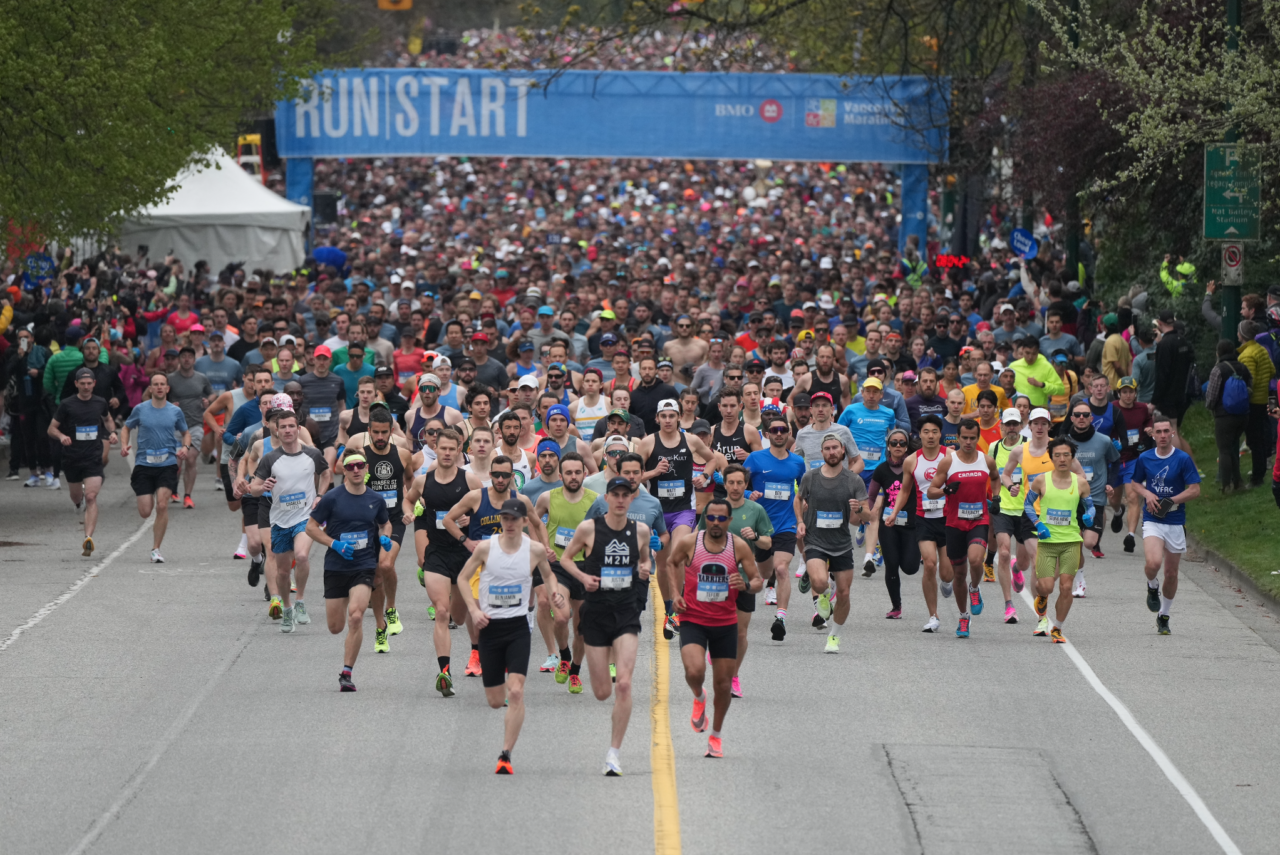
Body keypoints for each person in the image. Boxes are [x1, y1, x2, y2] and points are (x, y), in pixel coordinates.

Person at [457, 497, 565, 774]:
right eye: (505, 518)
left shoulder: (535, 550)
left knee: (516, 692)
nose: (510, 523)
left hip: (518, 628)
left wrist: (554, 591)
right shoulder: (485, 548)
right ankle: (498, 691)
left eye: (515, 519)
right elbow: (461, 578)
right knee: (495, 701)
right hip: (490, 629)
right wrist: (473, 609)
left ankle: (505, 754)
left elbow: (549, 575)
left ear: (524, 521)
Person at [670, 494, 762, 757]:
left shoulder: (739, 547)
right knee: (694, 671)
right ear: (705, 518)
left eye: (722, 518)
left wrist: (745, 585)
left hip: (725, 623)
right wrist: (675, 595)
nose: (716, 522)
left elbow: (757, 581)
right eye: (711, 517)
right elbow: (670, 563)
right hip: (693, 620)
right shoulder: (690, 542)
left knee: (723, 684)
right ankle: (699, 696)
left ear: (729, 520)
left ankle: (716, 737)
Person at [403, 427, 485, 694]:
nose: (447, 453)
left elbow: (487, 510)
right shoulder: (423, 481)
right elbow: (408, 501)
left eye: (453, 448)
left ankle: (476, 651)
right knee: (441, 611)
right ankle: (445, 672)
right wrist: (408, 514)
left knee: (460, 616)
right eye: (443, 448)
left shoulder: (470, 481)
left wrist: (471, 519)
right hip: (436, 552)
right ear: (435, 449)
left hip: (464, 555)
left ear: (459, 450)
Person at [304, 448, 392, 692]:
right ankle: (345, 659)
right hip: (336, 565)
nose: (355, 470)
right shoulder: (332, 498)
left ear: (366, 469)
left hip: (364, 564)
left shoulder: (375, 499)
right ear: (343, 470)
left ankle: (347, 673)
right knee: (336, 627)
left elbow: (386, 524)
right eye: (350, 466)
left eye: (360, 466)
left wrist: (385, 537)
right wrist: (334, 544)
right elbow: (311, 528)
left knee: (356, 616)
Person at [638, 398, 725, 638]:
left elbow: (712, 459)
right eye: (663, 416)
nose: (667, 420)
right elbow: (631, 474)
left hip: (684, 510)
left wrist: (705, 477)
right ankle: (670, 611)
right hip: (658, 512)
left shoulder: (691, 440)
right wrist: (654, 473)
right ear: (657, 418)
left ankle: (677, 606)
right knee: (664, 563)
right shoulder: (648, 443)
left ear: (679, 418)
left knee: (677, 553)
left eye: (671, 415)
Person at [696, 464, 771, 698]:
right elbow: (698, 538)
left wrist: (756, 537)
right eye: (731, 483)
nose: (736, 487)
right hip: (715, 575)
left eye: (740, 483)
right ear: (724, 484)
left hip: (744, 577)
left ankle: (734, 676)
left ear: (746, 484)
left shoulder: (756, 509)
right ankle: (715, 648)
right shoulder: (713, 508)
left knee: (740, 633)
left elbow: (768, 543)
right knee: (713, 625)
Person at [250, 409, 328, 631]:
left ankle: (300, 602)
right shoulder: (270, 458)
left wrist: (320, 495)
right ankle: (287, 608)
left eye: (291, 426)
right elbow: (254, 489)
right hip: (280, 521)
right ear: (276, 429)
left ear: (298, 429)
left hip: (305, 518)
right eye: (282, 427)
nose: (287, 430)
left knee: (302, 556)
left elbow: (326, 473)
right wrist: (261, 487)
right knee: (283, 572)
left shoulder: (312, 454)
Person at [924, 419, 1000, 638]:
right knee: (958, 574)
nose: (968, 442)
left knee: (976, 560)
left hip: (979, 519)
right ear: (958, 438)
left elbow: (995, 478)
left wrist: (996, 497)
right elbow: (931, 491)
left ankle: (975, 588)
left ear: (978, 438)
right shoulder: (949, 462)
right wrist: (946, 490)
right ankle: (963, 616)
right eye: (964, 438)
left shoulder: (986, 460)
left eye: (972, 438)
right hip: (954, 523)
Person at [797, 432, 871, 653]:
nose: (831, 452)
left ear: (843, 451)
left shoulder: (854, 480)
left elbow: (866, 517)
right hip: (815, 540)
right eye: (827, 448)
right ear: (822, 452)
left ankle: (834, 637)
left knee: (845, 593)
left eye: (835, 448)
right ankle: (824, 595)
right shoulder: (810, 477)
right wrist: (800, 520)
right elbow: (798, 499)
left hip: (841, 543)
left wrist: (859, 509)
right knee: (819, 582)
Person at [534, 451, 597, 695]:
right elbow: (532, 520)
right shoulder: (547, 497)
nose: (573, 477)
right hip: (558, 565)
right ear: (560, 475)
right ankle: (563, 655)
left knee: (582, 628)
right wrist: (541, 546)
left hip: (585, 568)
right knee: (561, 616)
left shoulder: (596, 500)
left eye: (577, 472)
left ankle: (575, 672)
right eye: (568, 473)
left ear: (585, 473)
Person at [1131, 417, 1201, 635]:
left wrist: (1172, 501)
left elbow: (1195, 489)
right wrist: (1147, 493)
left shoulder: (1182, 459)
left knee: (1171, 573)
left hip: (1175, 521)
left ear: (1172, 434)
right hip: (1153, 519)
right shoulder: (1145, 458)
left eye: (1166, 431)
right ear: (1152, 434)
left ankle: (1164, 615)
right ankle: (1152, 586)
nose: (1162, 435)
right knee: (1153, 563)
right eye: (1158, 432)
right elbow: (1135, 483)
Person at [884, 415, 953, 633]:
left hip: (949, 518)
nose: (930, 436)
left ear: (940, 434)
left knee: (947, 573)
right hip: (924, 519)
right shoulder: (911, 460)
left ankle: (947, 581)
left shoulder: (951, 456)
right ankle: (933, 616)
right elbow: (905, 490)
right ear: (919, 434)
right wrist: (894, 512)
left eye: (934, 431)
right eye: (926, 432)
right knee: (930, 564)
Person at [1023, 438, 1095, 642]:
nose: (1062, 459)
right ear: (1051, 457)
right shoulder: (1040, 480)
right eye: (1057, 455)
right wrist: (1038, 524)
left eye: (1066, 455)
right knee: (1045, 586)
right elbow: (1028, 505)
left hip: (1071, 541)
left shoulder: (1080, 482)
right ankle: (1043, 599)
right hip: (1047, 541)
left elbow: (1090, 506)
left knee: (1066, 587)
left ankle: (1057, 628)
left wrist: (1089, 514)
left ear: (1072, 457)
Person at [743, 413, 807, 641]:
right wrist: (750, 493)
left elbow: (804, 491)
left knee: (781, 570)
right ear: (767, 434)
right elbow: (737, 486)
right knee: (766, 572)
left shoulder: (798, 463)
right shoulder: (755, 459)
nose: (779, 434)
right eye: (775, 430)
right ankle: (769, 583)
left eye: (783, 430)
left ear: (789, 434)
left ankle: (780, 618)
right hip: (760, 526)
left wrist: (802, 514)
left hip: (785, 524)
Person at [120, 373, 191, 563]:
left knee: (162, 504)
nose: (159, 387)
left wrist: (185, 447)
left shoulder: (175, 411)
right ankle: (155, 543)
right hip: (144, 464)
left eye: (162, 384)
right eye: (155, 384)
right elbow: (126, 428)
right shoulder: (140, 410)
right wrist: (124, 444)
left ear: (167, 388)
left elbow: (186, 433)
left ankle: (156, 549)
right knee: (145, 511)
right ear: (150, 388)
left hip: (167, 464)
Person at [49, 368, 117, 556]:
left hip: (93, 457)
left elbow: (108, 419)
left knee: (91, 497)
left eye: (89, 383)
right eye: (83, 383)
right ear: (76, 384)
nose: (86, 387)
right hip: (72, 458)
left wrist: (112, 433)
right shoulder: (67, 404)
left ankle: (88, 538)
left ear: (94, 384)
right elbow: (51, 429)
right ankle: (77, 504)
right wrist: (61, 436)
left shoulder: (100, 402)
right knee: (77, 497)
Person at [363, 408, 413, 652]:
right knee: (374, 575)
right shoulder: (360, 458)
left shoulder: (403, 455)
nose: (380, 436)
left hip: (393, 520)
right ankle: (380, 626)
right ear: (369, 431)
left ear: (392, 431)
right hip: (367, 523)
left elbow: (410, 482)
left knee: (385, 565)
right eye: (376, 432)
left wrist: (411, 505)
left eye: (385, 432)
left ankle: (391, 609)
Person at [1062, 401, 1119, 596]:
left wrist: (1110, 482)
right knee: (1075, 542)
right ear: (1072, 418)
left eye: (1085, 415)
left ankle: (1077, 573)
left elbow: (1116, 461)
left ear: (1091, 418)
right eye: (1077, 414)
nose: (1081, 418)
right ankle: (1079, 580)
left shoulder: (1104, 441)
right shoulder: (1064, 442)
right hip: (1071, 498)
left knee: (1089, 542)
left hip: (1095, 497)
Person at [867, 429, 920, 619]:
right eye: (894, 443)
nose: (898, 446)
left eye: (902, 443)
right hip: (888, 524)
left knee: (910, 567)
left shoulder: (914, 466)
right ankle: (896, 606)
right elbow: (872, 495)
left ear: (907, 446)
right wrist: (870, 513)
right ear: (888, 446)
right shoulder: (881, 469)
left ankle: (916, 556)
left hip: (912, 523)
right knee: (891, 564)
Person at [989, 408, 1031, 623]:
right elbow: (992, 475)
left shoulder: (1028, 447)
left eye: (1016, 424)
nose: (1012, 428)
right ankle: (1009, 605)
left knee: (1024, 562)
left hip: (1026, 510)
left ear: (1021, 425)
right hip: (1003, 508)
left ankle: (1017, 569)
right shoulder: (994, 448)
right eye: (1009, 424)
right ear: (1002, 426)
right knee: (1004, 553)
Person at [1110, 377, 1155, 553]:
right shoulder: (1112, 408)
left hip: (1133, 459)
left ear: (1135, 393)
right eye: (1124, 392)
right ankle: (1117, 511)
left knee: (1133, 497)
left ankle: (1130, 536)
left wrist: (1149, 428)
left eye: (1131, 391)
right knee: (1113, 498)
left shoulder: (1142, 408)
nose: (1128, 395)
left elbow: (1148, 420)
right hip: (1114, 459)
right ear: (1119, 393)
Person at [166, 346, 213, 507]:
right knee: (177, 461)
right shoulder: (170, 379)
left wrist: (208, 401)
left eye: (189, 356)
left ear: (194, 360)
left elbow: (211, 393)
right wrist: (170, 404)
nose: (186, 359)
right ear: (179, 359)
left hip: (195, 425)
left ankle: (187, 496)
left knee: (190, 458)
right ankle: (173, 489)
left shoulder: (201, 378)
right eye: (183, 356)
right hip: (175, 426)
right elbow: (157, 397)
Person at [296, 345, 348, 488]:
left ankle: (328, 502)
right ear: (314, 359)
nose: (322, 362)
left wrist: (341, 431)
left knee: (328, 468)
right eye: (319, 359)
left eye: (325, 359)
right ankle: (313, 501)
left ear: (330, 361)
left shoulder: (337, 381)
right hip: (309, 433)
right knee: (312, 471)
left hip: (330, 434)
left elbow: (341, 406)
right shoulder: (303, 381)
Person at [1235, 320, 1276, 488]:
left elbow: (1250, 381)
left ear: (1241, 335)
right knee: (1260, 437)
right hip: (1264, 398)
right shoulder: (1261, 349)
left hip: (1252, 402)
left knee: (1254, 440)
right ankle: (1260, 470)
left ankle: (1257, 476)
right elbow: (1272, 370)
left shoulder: (1246, 355)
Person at [1150, 309, 1195, 455]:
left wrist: (1154, 401)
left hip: (1169, 395)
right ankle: (1192, 466)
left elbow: (1162, 375)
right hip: (1183, 392)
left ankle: (1179, 464)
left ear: (1160, 323)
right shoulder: (1183, 341)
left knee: (1172, 430)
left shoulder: (1165, 344)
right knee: (1177, 431)